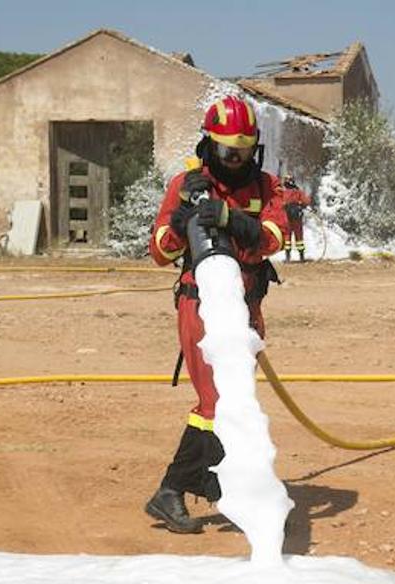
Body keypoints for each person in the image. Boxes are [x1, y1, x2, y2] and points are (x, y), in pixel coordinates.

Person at [145, 95, 289, 534]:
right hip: (201, 307)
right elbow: (158, 252)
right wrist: (182, 221)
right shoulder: (186, 185)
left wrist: (230, 218)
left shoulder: (265, 187)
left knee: (230, 398)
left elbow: (274, 237)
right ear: (211, 144)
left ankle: (210, 482)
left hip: (247, 307)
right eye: (228, 151)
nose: (235, 159)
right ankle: (175, 490)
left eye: (244, 151)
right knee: (217, 401)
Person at [281, 177, 311, 262]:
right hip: (297, 219)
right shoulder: (298, 192)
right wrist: (300, 204)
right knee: (299, 238)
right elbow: (307, 201)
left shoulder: (283, 193)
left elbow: (279, 205)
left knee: (287, 238)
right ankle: (301, 257)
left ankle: (287, 258)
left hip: (287, 219)